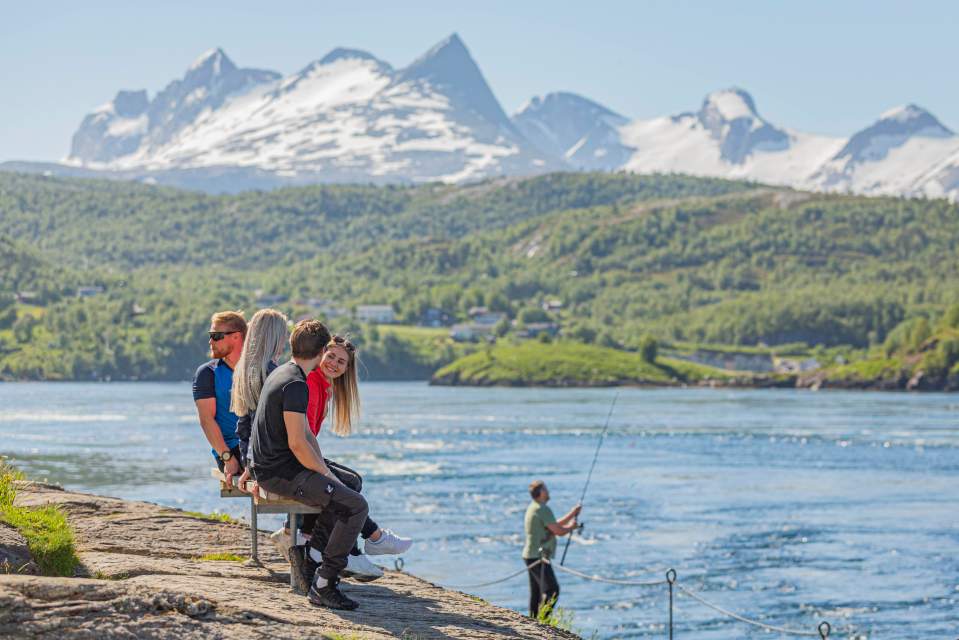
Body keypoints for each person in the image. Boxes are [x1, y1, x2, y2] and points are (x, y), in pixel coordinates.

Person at [249, 319, 368, 610]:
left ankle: (312, 557)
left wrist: (329, 475)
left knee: (348, 486)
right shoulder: (296, 384)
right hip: (278, 472)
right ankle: (324, 584)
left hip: (276, 465)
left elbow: (306, 436)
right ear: (320, 351)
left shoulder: (285, 373)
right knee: (355, 506)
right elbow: (297, 444)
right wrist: (325, 474)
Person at [299, 335, 412, 575]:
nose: (334, 364)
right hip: (294, 458)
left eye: (341, 362)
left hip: (298, 454)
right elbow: (303, 434)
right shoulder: (312, 383)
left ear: (347, 369)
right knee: (347, 483)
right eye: (331, 356)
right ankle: (363, 544)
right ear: (321, 354)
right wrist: (321, 468)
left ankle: (320, 539)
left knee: (352, 480)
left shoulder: (323, 386)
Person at [193, 310, 247, 485]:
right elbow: (206, 420)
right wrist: (227, 458)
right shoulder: (207, 373)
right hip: (230, 450)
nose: (210, 341)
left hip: (259, 447)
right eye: (210, 336)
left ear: (236, 337)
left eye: (216, 336)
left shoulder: (258, 370)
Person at [522, 480, 581, 618]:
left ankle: (534, 621)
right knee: (552, 590)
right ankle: (543, 620)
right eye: (546, 489)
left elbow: (553, 525)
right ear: (541, 493)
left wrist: (573, 513)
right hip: (538, 556)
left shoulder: (535, 507)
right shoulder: (542, 509)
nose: (548, 492)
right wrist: (572, 527)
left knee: (536, 592)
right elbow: (558, 531)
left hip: (530, 555)